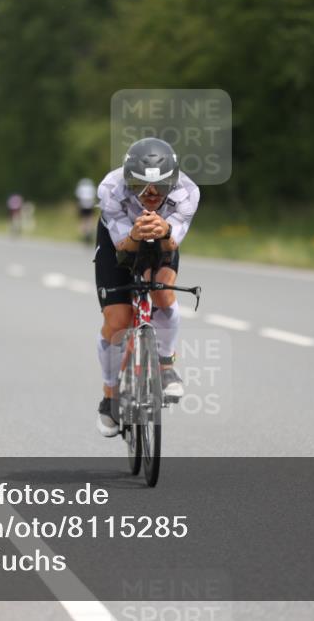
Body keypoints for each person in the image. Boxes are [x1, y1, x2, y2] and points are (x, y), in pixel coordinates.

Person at [93, 137, 200, 437]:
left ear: (173, 181)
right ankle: (110, 394)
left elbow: (172, 242)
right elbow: (122, 247)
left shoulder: (188, 192)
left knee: (163, 293)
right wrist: (136, 234)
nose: (151, 194)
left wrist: (164, 229)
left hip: (163, 237)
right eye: (141, 185)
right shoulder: (110, 189)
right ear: (128, 180)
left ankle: (166, 364)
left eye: (161, 186)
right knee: (118, 320)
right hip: (120, 242)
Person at [75, 178, 97, 243]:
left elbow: (78, 198)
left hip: (82, 206)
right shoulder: (91, 188)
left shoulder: (81, 187)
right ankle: (88, 233)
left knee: (83, 220)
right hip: (90, 206)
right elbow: (93, 197)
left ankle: (84, 235)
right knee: (90, 219)